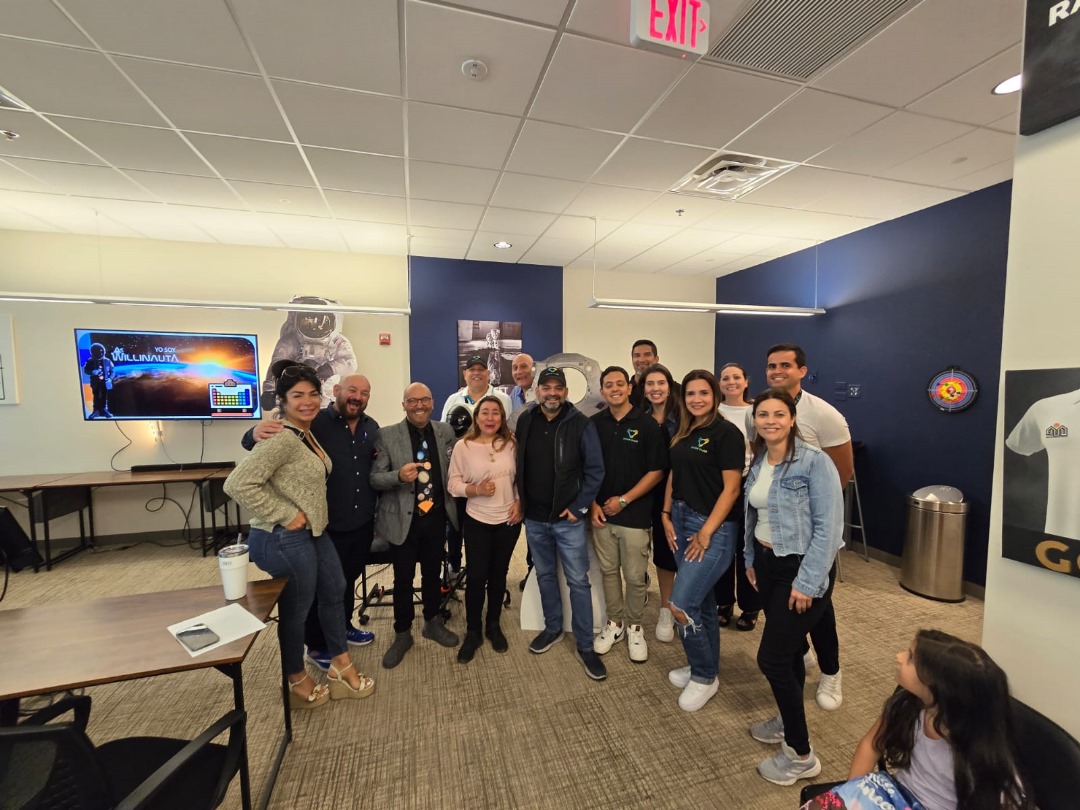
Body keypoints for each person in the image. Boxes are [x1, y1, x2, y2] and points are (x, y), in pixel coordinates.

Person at [224, 362, 375, 709]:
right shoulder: (282, 437)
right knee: (297, 608)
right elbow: (237, 483)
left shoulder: (307, 433)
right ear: (283, 400)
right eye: (297, 396)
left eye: (311, 394)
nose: (307, 401)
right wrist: (285, 513)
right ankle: (295, 678)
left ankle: (340, 664)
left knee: (335, 589)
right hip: (283, 537)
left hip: (314, 532)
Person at [801, 630, 1032, 810]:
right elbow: (872, 744)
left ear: (938, 688)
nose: (899, 657)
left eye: (911, 658)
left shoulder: (980, 755)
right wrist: (851, 793)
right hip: (890, 792)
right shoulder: (908, 704)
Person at [745, 387, 843, 785]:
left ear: (792, 419)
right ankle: (788, 722)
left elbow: (829, 530)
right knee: (788, 654)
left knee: (771, 659)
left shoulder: (815, 462)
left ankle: (801, 755)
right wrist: (751, 560)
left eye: (778, 414)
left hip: (801, 568)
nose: (770, 421)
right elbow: (754, 515)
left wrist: (807, 582)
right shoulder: (760, 460)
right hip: (767, 564)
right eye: (763, 415)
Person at [748, 343, 852, 711]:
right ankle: (799, 657)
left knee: (821, 614)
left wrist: (809, 518)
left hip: (809, 545)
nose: (777, 371)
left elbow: (840, 474)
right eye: (771, 365)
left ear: (802, 370)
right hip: (772, 546)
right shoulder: (760, 413)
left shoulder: (824, 415)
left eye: (785, 365)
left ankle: (831, 671)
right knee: (788, 621)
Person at [515, 366, 606, 680]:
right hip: (535, 519)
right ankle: (553, 628)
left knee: (578, 581)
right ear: (538, 391)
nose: (552, 393)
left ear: (566, 392)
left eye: (558, 388)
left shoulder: (581, 424)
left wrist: (579, 507)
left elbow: (595, 471)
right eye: (547, 387)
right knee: (544, 575)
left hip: (568, 520)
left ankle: (585, 645)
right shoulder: (526, 420)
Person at [660, 370, 744, 712]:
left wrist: (707, 531)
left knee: (680, 605)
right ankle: (705, 666)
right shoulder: (684, 430)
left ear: (715, 396)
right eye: (691, 394)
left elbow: (732, 489)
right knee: (702, 603)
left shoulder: (727, 433)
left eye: (703, 393)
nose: (696, 399)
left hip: (711, 528)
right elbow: (674, 473)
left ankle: (705, 677)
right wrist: (666, 513)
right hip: (680, 519)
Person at [371, 382, 460, 669]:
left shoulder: (445, 432)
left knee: (433, 574)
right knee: (403, 579)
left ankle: (432, 622)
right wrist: (398, 476)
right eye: (412, 401)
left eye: (424, 400)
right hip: (402, 520)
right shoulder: (386, 435)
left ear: (432, 403)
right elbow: (375, 478)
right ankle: (402, 632)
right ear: (404, 405)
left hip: (436, 517)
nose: (419, 405)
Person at [589, 366, 667, 663]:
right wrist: (593, 505)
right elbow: (585, 469)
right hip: (601, 514)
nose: (615, 389)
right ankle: (615, 623)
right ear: (602, 391)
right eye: (608, 385)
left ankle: (635, 626)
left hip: (634, 514)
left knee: (635, 576)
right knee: (608, 572)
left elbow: (657, 471)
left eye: (620, 384)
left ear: (630, 388)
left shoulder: (647, 425)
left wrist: (623, 501)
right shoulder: (594, 424)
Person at [447, 396, 522, 663]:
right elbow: (453, 484)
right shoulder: (463, 446)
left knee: (499, 575)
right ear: (476, 418)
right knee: (477, 577)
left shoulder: (510, 443)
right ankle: (473, 631)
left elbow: (519, 478)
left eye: (495, 413)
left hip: (508, 521)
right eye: (485, 413)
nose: (490, 418)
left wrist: (519, 501)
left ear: (502, 418)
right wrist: (475, 489)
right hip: (478, 520)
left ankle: (493, 626)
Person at [441, 354, 513, 575]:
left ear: (488, 373)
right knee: (456, 524)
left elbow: (507, 433)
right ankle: (454, 564)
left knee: (486, 532)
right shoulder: (453, 399)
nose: (476, 373)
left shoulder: (503, 399)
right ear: (465, 374)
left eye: (481, 369)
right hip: (464, 473)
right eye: (472, 369)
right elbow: (444, 435)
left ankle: (487, 567)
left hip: (494, 474)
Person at [714, 362, 760, 632]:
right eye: (725, 378)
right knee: (722, 545)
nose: (730, 382)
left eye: (736, 377)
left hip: (748, 484)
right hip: (717, 485)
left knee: (746, 547)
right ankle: (723, 602)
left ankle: (750, 606)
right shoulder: (713, 411)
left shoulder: (755, 411)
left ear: (745, 381)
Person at [639, 363, 681, 643]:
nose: (655, 389)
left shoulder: (684, 418)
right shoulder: (639, 420)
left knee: (677, 549)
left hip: (679, 495)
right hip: (646, 494)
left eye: (661, 383)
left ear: (669, 386)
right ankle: (665, 608)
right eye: (650, 384)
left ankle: (679, 605)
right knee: (659, 554)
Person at [83, 342, 115, 419]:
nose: (100, 353)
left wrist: (110, 378)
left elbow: (112, 371)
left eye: (101, 351)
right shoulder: (90, 361)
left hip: (105, 382)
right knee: (96, 396)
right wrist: (92, 372)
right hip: (95, 383)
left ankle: (104, 410)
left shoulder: (107, 361)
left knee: (104, 396)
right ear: (93, 352)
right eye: (98, 352)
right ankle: (96, 411)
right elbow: (86, 370)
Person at [628, 339, 659, 409]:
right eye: (637, 355)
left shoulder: (674, 389)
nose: (641, 360)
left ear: (656, 359)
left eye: (647, 355)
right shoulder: (624, 392)